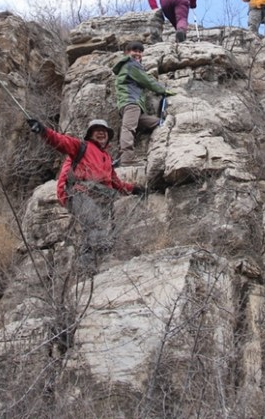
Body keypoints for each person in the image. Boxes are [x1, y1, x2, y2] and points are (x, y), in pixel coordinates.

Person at [26, 117, 142, 271]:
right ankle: (101, 263)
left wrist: (134, 189)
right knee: (95, 224)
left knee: (94, 232)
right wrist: (43, 131)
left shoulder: (107, 158)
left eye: (104, 132)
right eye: (97, 131)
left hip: (100, 198)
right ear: (90, 135)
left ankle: (85, 269)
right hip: (79, 192)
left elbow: (116, 183)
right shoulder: (81, 146)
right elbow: (60, 141)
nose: (101, 134)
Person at [111, 41, 177, 165]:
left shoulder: (126, 67)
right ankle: (126, 159)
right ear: (127, 52)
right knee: (128, 128)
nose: (138, 54)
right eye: (134, 51)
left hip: (127, 105)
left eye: (140, 52)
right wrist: (163, 90)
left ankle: (160, 123)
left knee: (149, 122)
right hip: (131, 103)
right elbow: (147, 81)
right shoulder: (131, 65)